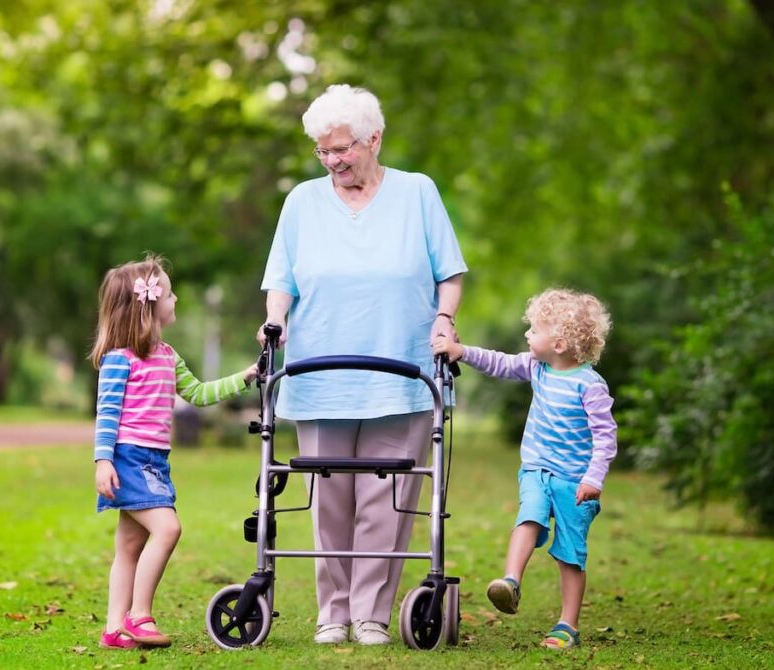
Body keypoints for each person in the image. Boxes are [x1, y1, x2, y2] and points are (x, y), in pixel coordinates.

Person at [259, 84, 467, 645]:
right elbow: (281, 280)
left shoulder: (417, 193)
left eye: (342, 149)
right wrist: (274, 322)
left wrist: (444, 321)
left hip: (402, 370)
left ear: (374, 139)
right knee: (330, 498)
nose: (333, 161)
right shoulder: (302, 201)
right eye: (323, 152)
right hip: (321, 371)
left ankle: (371, 612)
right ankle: (333, 612)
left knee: (388, 498)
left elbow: (449, 272)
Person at [432, 288, 616, 650]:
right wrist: (462, 353)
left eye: (535, 329)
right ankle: (511, 581)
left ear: (559, 343)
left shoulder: (589, 385)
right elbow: (499, 363)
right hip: (537, 470)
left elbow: (606, 437)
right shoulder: (537, 367)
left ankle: (567, 625)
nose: (528, 334)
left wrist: (594, 478)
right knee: (528, 516)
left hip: (575, 482)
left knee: (570, 554)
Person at [90, 254, 257, 650]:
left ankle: (114, 629)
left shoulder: (167, 355)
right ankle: (139, 616)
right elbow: (107, 414)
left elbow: (198, 393)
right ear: (149, 304)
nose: (176, 298)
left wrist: (244, 377)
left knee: (130, 546)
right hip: (130, 458)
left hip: (155, 461)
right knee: (168, 528)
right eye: (169, 292)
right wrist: (103, 461)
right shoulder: (119, 359)